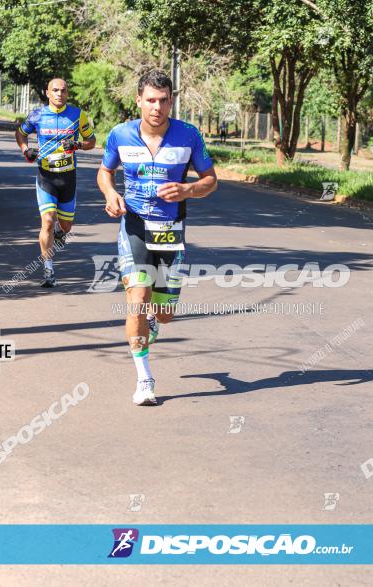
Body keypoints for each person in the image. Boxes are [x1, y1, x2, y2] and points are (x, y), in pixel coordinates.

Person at [96, 69, 218, 406]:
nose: (157, 107)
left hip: (170, 231)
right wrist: (110, 195)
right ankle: (144, 379)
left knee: (163, 314)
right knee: (137, 298)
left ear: (171, 102)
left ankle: (153, 320)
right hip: (133, 225)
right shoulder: (120, 135)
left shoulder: (189, 135)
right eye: (151, 100)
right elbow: (105, 172)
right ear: (138, 100)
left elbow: (211, 180)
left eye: (164, 101)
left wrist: (188, 189)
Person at [15, 78, 96, 287]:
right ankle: (48, 269)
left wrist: (77, 144)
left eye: (63, 90)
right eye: (55, 90)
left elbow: (92, 142)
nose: (60, 94)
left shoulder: (77, 115)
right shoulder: (38, 115)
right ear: (47, 93)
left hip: (68, 178)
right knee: (48, 220)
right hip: (46, 176)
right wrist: (26, 151)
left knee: (66, 227)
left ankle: (61, 233)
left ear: (67, 93)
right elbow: (20, 134)